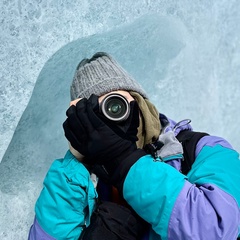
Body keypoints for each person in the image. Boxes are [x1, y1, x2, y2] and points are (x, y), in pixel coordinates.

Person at [28, 52, 240, 240]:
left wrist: (123, 159)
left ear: (141, 105)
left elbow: (215, 230)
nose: (108, 120)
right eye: (94, 115)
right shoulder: (81, 184)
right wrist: (76, 162)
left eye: (115, 105)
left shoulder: (207, 150)